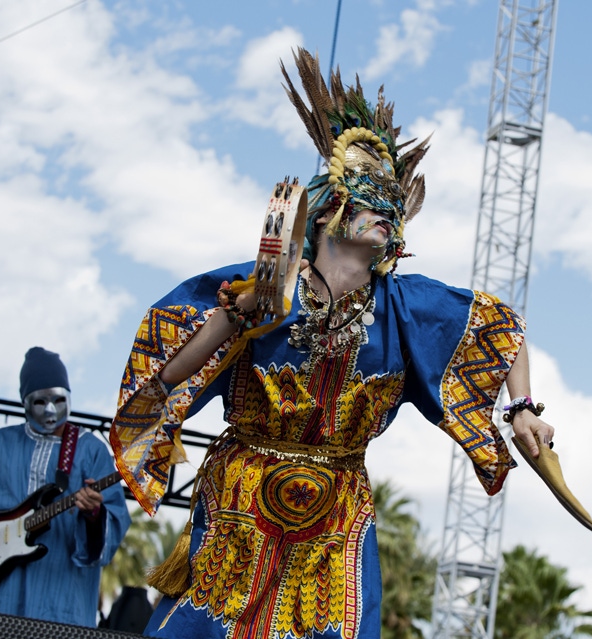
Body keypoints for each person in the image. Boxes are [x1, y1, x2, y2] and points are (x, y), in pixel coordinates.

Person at [110, 48, 555, 639]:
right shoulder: (267, 280)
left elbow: (504, 329)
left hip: (338, 509)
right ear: (325, 209)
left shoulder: (405, 305)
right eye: (371, 197)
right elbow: (165, 380)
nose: (385, 213)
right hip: (244, 493)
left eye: (393, 206)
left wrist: (521, 409)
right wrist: (235, 317)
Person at [0, 347, 131, 627]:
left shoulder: (92, 451)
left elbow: (114, 521)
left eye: (58, 398)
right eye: (39, 401)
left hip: (64, 605)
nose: (50, 409)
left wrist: (94, 514)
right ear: (25, 402)